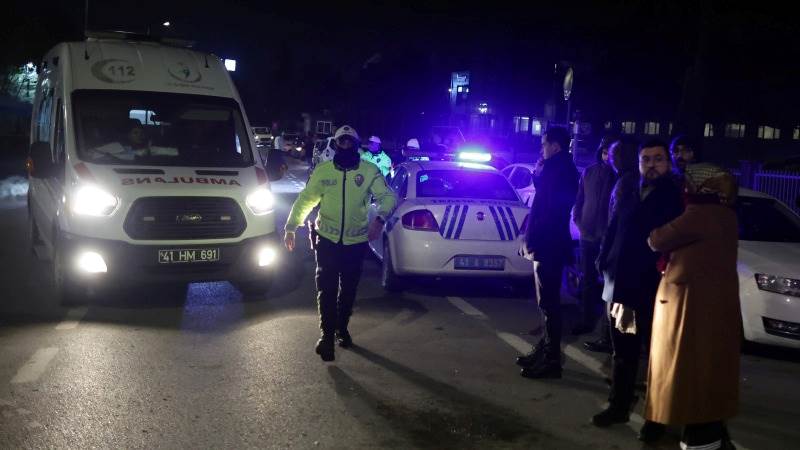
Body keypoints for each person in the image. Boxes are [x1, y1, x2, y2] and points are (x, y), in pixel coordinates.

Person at [639, 164, 740, 449]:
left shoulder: (700, 213)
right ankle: (712, 432)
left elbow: (656, 239)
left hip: (690, 305)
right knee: (709, 367)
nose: (685, 187)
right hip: (714, 304)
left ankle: (698, 435)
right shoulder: (726, 213)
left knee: (687, 368)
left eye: (689, 183)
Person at [284, 125, 396, 362]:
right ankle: (326, 337)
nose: (345, 146)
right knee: (326, 289)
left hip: (356, 243)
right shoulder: (324, 171)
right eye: (341, 142)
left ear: (356, 145)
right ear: (335, 145)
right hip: (327, 240)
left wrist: (379, 220)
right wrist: (291, 226)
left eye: (349, 142)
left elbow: (388, 197)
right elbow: (306, 199)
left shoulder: (369, 171)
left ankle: (341, 328)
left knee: (348, 290)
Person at [591, 138, 683, 427]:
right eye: (646, 159)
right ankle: (618, 405)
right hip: (621, 284)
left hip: (654, 287)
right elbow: (613, 226)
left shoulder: (676, 195)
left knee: (658, 353)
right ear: (639, 162)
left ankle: (657, 418)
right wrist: (603, 258)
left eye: (658, 159)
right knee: (623, 350)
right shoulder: (630, 189)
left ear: (668, 162)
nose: (651, 165)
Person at [516, 126, 579, 379]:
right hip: (549, 243)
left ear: (555, 145)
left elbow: (547, 208)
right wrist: (539, 174)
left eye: (544, 144)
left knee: (549, 304)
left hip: (548, 244)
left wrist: (540, 174)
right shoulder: (560, 168)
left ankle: (551, 359)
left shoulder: (557, 169)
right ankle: (544, 351)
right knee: (546, 303)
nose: (541, 149)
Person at [584, 137, 639, 354]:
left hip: (617, 251)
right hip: (617, 249)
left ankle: (613, 345)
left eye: (614, 155)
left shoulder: (625, 183)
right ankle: (611, 341)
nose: (610, 159)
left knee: (614, 301)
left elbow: (614, 222)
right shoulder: (626, 180)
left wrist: (604, 252)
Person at [571, 135, 618, 336]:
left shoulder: (618, 176)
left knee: (609, 283)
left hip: (608, 238)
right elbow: (579, 199)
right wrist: (579, 221)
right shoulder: (589, 172)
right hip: (587, 235)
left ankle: (608, 330)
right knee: (587, 280)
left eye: (611, 153)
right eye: (605, 152)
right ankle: (586, 320)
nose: (608, 157)